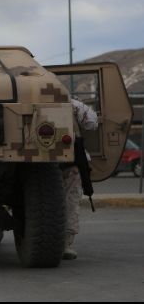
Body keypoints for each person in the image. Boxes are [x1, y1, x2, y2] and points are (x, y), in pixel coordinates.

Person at [62, 98, 98, 260]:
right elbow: (91, 122)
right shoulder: (72, 104)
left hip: (35, 164)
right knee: (70, 200)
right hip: (71, 160)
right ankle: (66, 244)